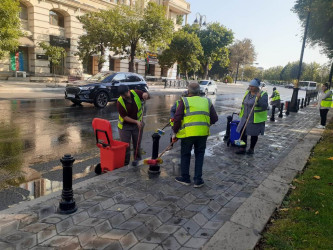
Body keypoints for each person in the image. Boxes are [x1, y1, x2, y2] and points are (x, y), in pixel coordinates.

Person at [172, 82, 218, 188]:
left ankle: (185, 178)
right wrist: (206, 124)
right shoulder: (207, 101)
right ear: (199, 91)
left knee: (185, 154)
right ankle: (198, 180)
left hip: (188, 134)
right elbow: (215, 118)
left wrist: (175, 132)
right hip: (202, 134)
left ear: (188, 91)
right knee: (200, 155)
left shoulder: (185, 101)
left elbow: (177, 118)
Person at [117, 85, 150, 165]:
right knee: (126, 146)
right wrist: (136, 122)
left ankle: (137, 161)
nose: (124, 97)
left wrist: (146, 94)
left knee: (137, 144)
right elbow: (124, 117)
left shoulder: (136, 93)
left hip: (137, 125)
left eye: (125, 95)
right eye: (122, 96)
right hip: (125, 126)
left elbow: (147, 96)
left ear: (128, 91)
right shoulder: (119, 102)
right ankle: (125, 163)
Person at [236, 78, 268, 155]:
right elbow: (244, 104)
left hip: (254, 118)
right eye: (250, 86)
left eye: (252, 86)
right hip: (245, 117)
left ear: (257, 87)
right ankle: (242, 148)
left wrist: (259, 98)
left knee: (254, 134)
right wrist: (240, 112)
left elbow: (264, 106)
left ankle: (251, 149)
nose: (250, 88)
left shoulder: (263, 94)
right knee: (242, 132)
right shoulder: (247, 93)